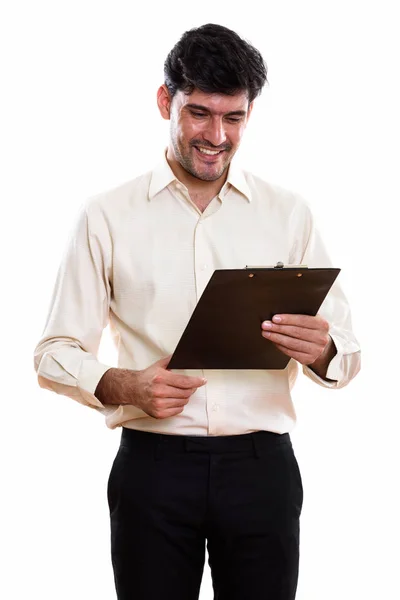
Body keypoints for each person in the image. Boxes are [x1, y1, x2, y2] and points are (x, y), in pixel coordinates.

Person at [33, 23, 361, 600]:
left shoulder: (289, 214)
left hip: (262, 468)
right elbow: (54, 352)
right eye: (200, 113)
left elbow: (347, 348)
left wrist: (326, 349)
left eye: (233, 118)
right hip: (154, 469)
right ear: (166, 101)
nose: (217, 135)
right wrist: (123, 383)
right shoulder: (107, 215)